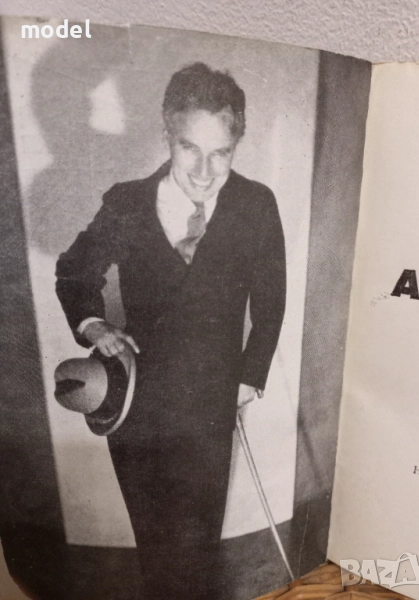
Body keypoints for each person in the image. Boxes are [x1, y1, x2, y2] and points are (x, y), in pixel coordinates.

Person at [56, 62, 286, 599]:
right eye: (190, 148)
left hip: (210, 403)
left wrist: (248, 377)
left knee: (196, 544)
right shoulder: (126, 202)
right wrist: (94, 324)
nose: (204, 171)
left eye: (221, 153)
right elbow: (74, 271)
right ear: (167, 131)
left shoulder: (256, 205)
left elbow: (271, 302)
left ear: (238, 143)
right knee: (155, 543)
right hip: (135, 402)